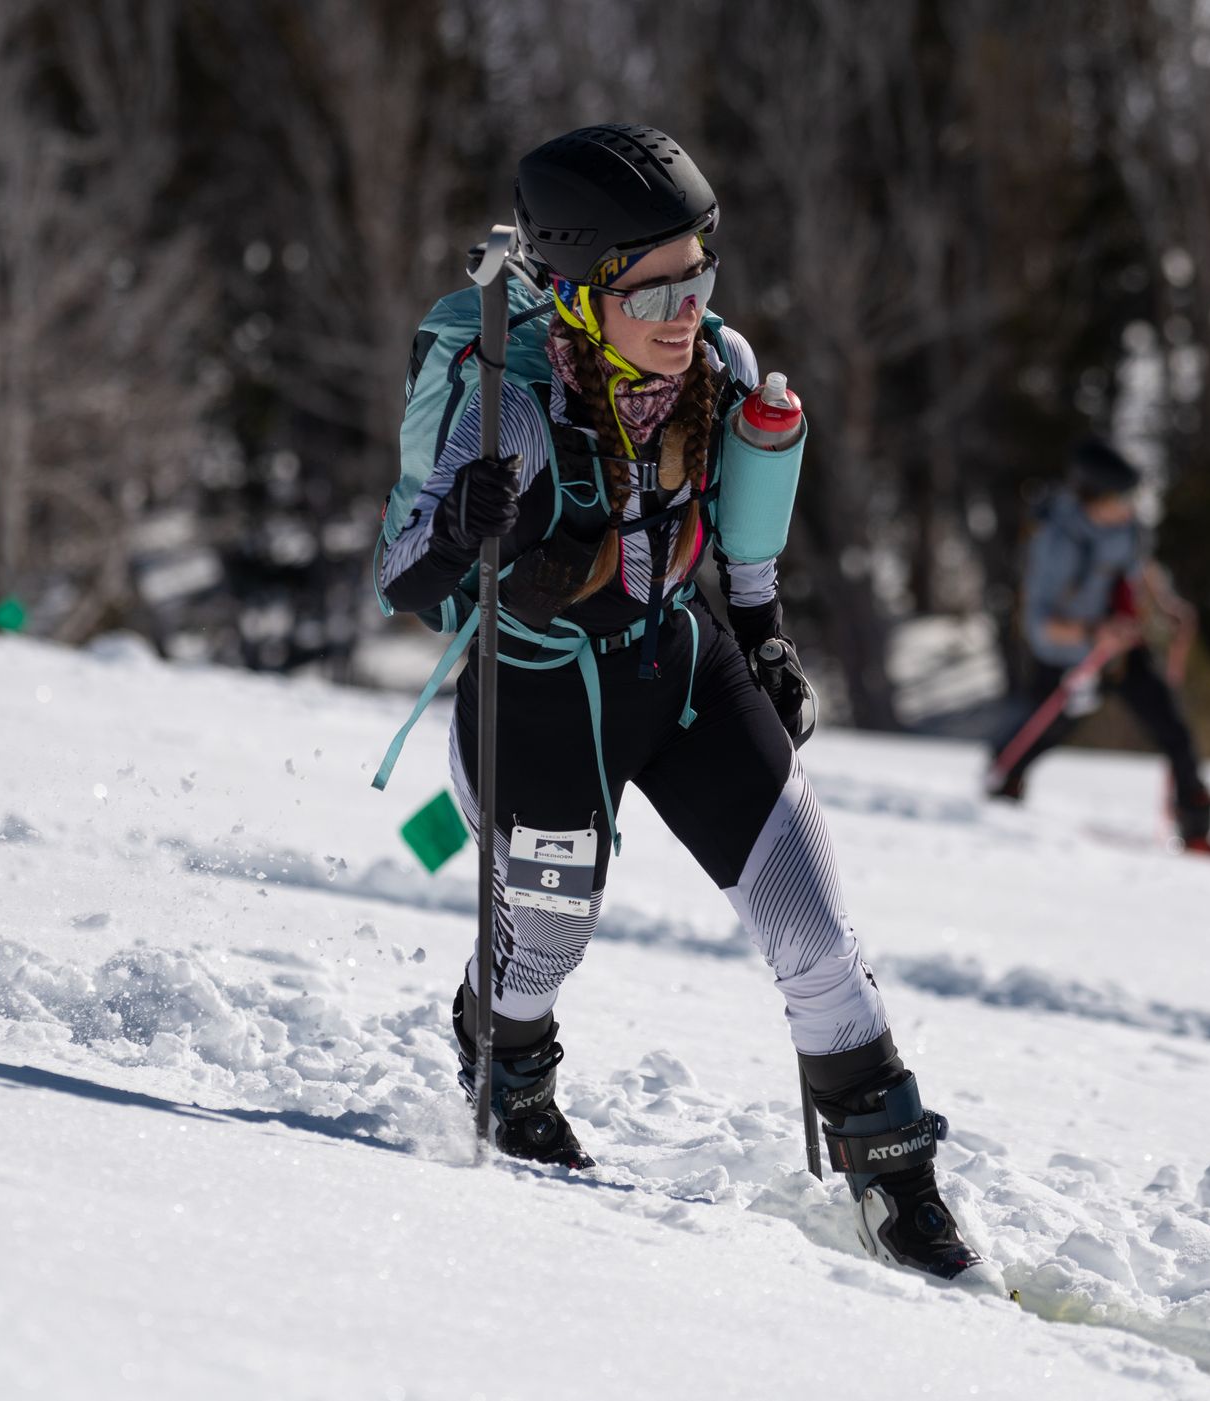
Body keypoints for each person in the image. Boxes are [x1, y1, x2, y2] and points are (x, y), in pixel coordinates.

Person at [373, 124, 992, 1285]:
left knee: (813, 926)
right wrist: (463, 524)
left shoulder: (720, 364)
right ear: (571, 292)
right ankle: (504, 1062)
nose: (683, 310)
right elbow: (401, 577)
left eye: (697, 272)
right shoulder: (502, 398)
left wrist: (763, 638)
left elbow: (741, 525)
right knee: (545, 946)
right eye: (650, 286)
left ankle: (896, 1179)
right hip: (544, 690)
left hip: (676, 665)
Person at [983, 439, 1210, 853]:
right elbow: (1038, 625)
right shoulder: (1056, 543)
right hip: (1071, 659)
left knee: (1172, 727)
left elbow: (1138, 565)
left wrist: (1166, 605)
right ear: (1093, 497)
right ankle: (1002, 786)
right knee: (1047, 729)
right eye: (1122, 497)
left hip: (1123, 650)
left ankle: (1196, 823)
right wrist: (1094, 636)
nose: (1131, 506)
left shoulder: (1126, 526)